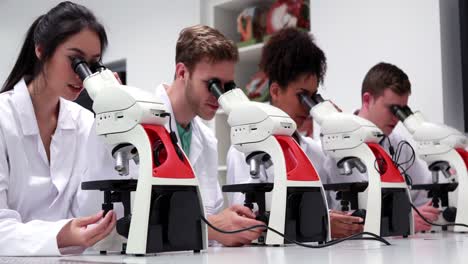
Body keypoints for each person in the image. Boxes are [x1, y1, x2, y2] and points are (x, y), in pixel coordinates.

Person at [0, 1, 116, 256]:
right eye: (75, 60)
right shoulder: (2, 118)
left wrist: (109, 128)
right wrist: (61, 234)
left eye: (92, 64)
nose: (83, 75)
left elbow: (89, 212)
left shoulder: (85, 122)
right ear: (41, 50)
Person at [226, 27, 364, 239]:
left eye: (313, 97)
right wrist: (321, 223)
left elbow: (343, 209)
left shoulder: (316, 151)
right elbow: (245, 223)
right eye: (302, 96)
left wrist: (341, 142)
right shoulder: (245, 151)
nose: (308, 107)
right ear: (275, 91)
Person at [154, 25, 264, 246]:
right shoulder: (139, 124)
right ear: (182, 72)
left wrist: (230, 222)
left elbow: (209, 219)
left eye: (226, 86)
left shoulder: (207, 140)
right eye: (211, 84)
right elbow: (116, 225)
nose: (219, 97)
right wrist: (213, 227)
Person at [324, 62, 439, 232]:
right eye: (391, 108)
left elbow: (423, 196)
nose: (397, 118)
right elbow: (336, 217)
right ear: (367, 100)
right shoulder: (334, 144)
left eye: (401, 110)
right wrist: (401, 219)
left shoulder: (400, 145)